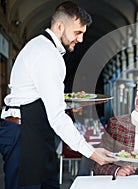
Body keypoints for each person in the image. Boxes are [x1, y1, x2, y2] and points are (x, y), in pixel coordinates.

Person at [0, 1, 116, 189]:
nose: (80, 40)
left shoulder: (42, 47)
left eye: (83, 34)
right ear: (60, 26)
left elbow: (38, 96)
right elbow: (57, 116)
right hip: (24, 135)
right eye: (77, 33)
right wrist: (91, 153)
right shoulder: (48, 55)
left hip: (34, 130)